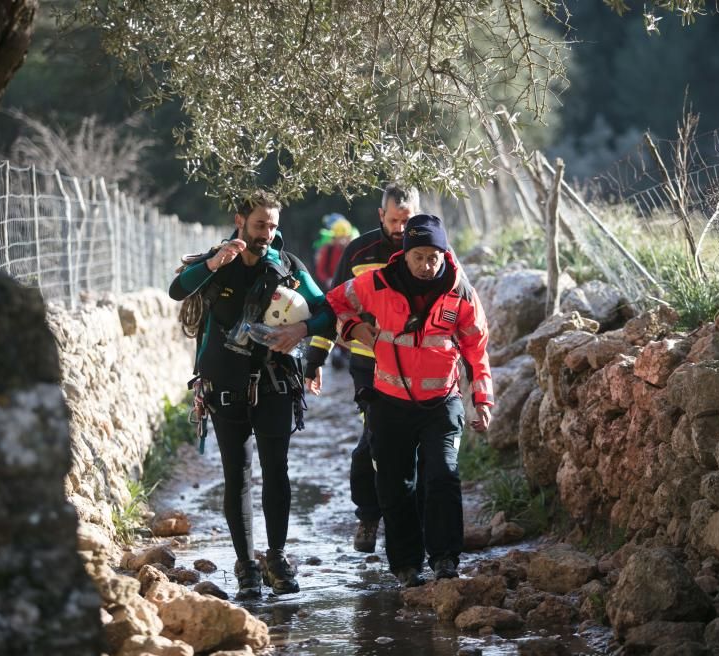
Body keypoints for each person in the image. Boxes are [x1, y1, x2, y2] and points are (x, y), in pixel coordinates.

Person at [169, 190, 334, 599]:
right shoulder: (216, 264)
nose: (267, 233)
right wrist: (212, 262)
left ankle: (276, 558)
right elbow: (178, 290)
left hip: (275, 383)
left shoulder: (288, 267)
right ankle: (245, 566)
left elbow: (326, 310)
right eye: (260, 225)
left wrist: (302, 333)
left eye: (273, 226)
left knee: (277, 470)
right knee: (236, 476)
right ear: (240, 219)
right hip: (224, 386)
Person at [325, 213, 494, 587]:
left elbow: (475, 350)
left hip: (442, 402)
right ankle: (405, 565)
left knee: (442, 478)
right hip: (389, 401)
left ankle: (445, 559)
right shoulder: (377, 283)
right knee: (395, 485)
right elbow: (334, 302)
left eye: (433, 256)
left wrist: (481, 399)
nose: (426, 264)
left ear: (444, 253)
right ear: (405, 254)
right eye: (418, 256)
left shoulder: (461, 292)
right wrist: (354, 328)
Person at [304, 184, 420, 554]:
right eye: (394, 220)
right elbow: (333, 307)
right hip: (367, 365)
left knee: (411, 444)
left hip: (418, 366)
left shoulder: (428, 249)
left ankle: (409, 522)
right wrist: (315, 359)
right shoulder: (358, 251)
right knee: (374, 440)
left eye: (407, 220)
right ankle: (370, 517)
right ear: (379, 216)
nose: (401, 228)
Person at [313, 217, 356, 290]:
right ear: (334, 238)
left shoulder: (356, 249)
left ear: (349, 237)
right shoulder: (328, 250)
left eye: (344, 237)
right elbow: (320, 270)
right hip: (333, 288)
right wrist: (327, 280)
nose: (341, 241)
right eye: (339, 238)